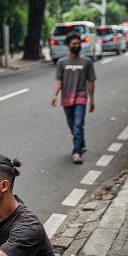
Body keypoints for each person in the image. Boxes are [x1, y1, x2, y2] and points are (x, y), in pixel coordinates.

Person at [51, 31, 96, 164]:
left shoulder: (87, 61)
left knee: (78, 124)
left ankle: (77, 152)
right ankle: (81, 142)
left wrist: (92, 99)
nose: (76, 45)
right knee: (72, 125)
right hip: (66, 99)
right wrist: (55, 95)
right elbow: (58, 80)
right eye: (73, 44)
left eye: (78, 43)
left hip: (81, 97)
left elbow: (91, 81)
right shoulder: (62, 62)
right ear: (68, 46)